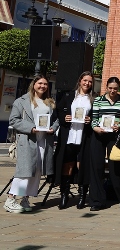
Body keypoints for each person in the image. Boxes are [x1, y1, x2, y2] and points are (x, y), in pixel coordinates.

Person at [5, 75, 58, 213]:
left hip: (44, 141)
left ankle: (25, 198)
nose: (43, 86)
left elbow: (56, 120)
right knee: (24, 172)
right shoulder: (21, 101)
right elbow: (14, 120)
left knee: (37, 172)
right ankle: (11, 199)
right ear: (34, 84)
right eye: (40, 83)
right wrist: (31, 128)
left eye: (45, 84)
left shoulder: (50, 102)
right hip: (28, 141)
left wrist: (54, 128)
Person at [53, 71, 94, 210]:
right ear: (80, 80)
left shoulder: (93, 98)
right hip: (69, 135)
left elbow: (96, 116)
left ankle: (82, 196)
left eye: (90, 81)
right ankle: (64, 195)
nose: (87, 83)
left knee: (82, 165)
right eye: (85, 80)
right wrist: (65, 117)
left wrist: (91, 120)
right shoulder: (69, 96)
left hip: (84, 136)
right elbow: (58, 111)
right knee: (67, 164)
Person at [88, 76, 120, 211]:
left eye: (115, 89)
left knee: (115, 167)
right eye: (110, 88)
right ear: (106, 88)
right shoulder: (99, 100)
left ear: (119, 89)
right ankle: (97, 201)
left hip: (114, 136)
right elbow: (94, 118)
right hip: (99, 135)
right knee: (97, 167)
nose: (112, 91)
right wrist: (95, 128)